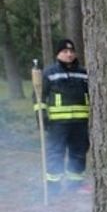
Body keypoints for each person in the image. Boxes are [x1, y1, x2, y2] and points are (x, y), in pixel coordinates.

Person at [38, 39, 90, 193]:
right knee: (56, 152)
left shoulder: (84, 73)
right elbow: (40, 97)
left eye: (71, 51)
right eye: (65, 51)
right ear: (58, 54)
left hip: (80, 122)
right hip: (57, 123)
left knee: (79, 152)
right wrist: (41, 116)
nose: (69, 54)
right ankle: (53, 186)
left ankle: (75, 184)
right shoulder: (50, 73)